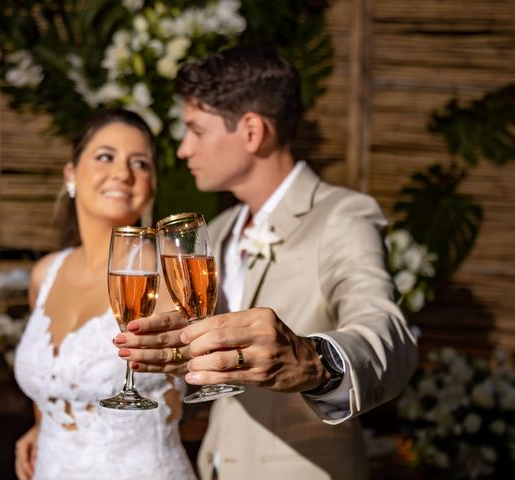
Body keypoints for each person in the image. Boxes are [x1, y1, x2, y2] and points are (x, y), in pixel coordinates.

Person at [113, 46, 419, 479]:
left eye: (196, 131)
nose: (183, 149)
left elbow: (389, 334)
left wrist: (315, 362)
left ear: (253, 131)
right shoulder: (212, 233)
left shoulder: (341, 216)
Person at [13, 109, 197, 480]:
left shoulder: (171, 272)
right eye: (105, 156)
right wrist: (44, 425)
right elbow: (55, 380)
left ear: (152, 184)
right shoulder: (46, 273)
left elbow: (198, 372)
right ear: (71, 173)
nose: (122, 173)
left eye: (140, 163)